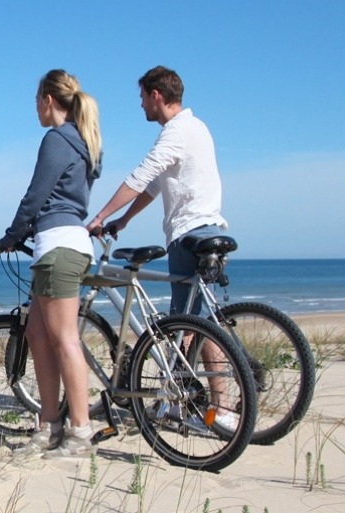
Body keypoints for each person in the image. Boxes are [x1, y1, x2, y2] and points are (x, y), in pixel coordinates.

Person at [85, 65, 239, 432]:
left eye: (142, 98)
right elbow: (155, 187)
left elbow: (139, 177)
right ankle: (194, 402)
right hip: (206, 228)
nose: (140, 106)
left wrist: (101, 215)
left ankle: (223, 408)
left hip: (190, 234)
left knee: (193, 324)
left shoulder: (176, 132)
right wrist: (123, 221)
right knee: (195, 323)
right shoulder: (197, 127)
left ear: (157, 95)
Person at [0, 69, 102, 459]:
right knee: (38, 335)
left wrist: (9, 236)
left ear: (48, 100)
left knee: (64, 339)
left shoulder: (58, 139)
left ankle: (81, 433)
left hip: (59, 246)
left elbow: (36, 196)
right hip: (55, 246)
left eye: (36, 99)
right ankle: (49, 425)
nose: (35, 108)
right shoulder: (82, 139)